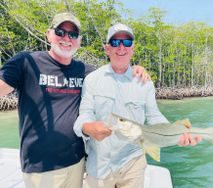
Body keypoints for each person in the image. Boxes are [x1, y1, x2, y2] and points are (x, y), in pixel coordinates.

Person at [0, 13, 149, 188]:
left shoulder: (86, 72)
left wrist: (136, 69)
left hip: (77, 162)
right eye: (60, 32)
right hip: (40, 166)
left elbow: (116, 72)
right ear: (49, 34)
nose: (66, 38)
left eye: (73, 34)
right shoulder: (26, 62)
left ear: (79, 40)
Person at [73, 23, 202, 188]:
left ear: (132, 49)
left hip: (133, 163)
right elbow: (84, 114)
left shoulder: (145, 82)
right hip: (99, 165)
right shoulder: (92, 79)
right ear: (107, 49)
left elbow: (154, 116)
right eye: (115, 42)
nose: (121, 47)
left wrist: (175, 134)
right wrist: (87, 127)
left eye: (126, 43)